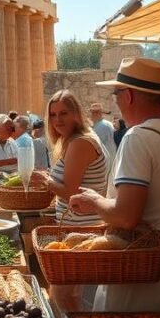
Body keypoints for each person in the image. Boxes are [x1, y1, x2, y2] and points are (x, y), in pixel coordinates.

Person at [70, 58, 160, 313]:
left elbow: (126, 216)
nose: (117, 103)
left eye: (116, 94)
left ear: (129, 96)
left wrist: (94, 202)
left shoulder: (137, 137)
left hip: (143, 281)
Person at [31, 91, 108, 224]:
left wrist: (46, 180)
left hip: (81, 226)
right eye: (53, 115)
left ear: (76, 114)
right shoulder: (78, 139)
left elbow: (72, 193)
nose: (57, 120)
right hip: (78, 223)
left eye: (63, 113)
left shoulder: (80, 143)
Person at [90, 103, 117, 167]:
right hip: (109, 159)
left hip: (105, 161)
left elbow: (95, 145)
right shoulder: (105, 124)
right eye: (92, 112)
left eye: (95, 112)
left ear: (99, 113)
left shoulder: (102, 126)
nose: (93, 115)